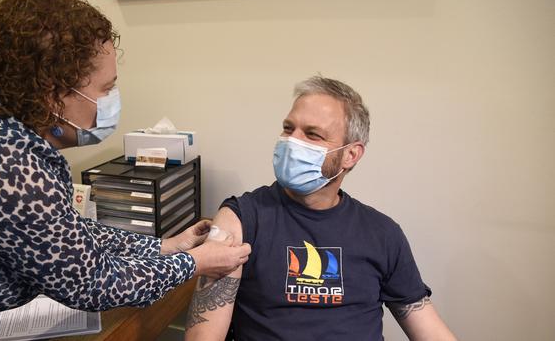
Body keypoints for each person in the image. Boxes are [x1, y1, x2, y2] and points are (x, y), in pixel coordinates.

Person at [0, 0, 250, 340]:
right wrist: (194, 263)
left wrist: (163, 246)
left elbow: (61, 232)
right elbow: (91, 283)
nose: (112, 99)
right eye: (106, 88)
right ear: (52, 92)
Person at [185, 76, 457, 340]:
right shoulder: (242, 219)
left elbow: (428, 328)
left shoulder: (383, 234)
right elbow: (203, 335)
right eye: (289, 128)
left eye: (312, 134)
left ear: (351, 155)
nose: (293, 142)